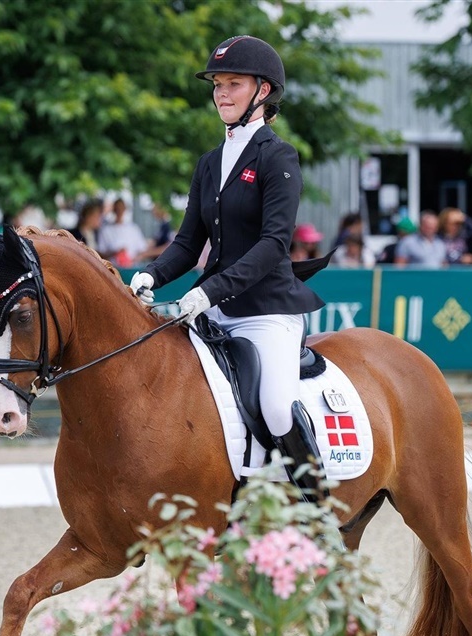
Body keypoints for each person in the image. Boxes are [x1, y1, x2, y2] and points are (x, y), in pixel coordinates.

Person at [128, 35, 327, 501]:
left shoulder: (278, 157)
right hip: (212, 311)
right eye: (217, 84)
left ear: (262, 90)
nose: (221, 93)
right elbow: (188, 243)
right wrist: (152, 274)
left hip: (266, 311)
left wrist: (209, 290)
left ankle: (318, 507)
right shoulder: (209, 163)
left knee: (276, 408)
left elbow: (273, 244)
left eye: (233, 83)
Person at [97, 198, 149, 267]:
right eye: (117, 208)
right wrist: (115, 253)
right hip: (112, 268)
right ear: (114, 209)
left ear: (125, 209)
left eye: (121, 208)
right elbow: (101, 253)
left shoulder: (133, 228)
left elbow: (142, 250)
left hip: (131, 267)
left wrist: (134, 259)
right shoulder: (106, 230)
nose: (119, 210)